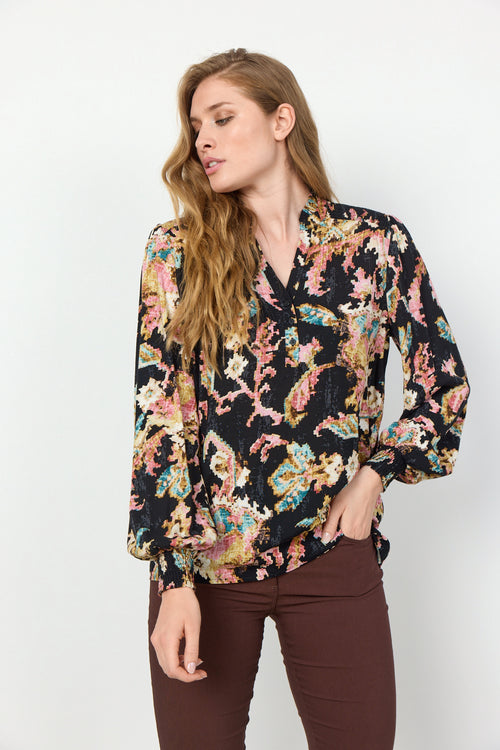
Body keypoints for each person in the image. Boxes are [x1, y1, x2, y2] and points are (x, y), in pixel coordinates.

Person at [127, 48, 470, 750]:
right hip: (205, 568)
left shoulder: (376, 245)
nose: (204, 141)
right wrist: (173, 581)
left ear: (281, 120)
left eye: (223, 118)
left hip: (332, 554)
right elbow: (161, 417)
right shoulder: (177, 252)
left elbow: (443, 383)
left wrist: (376, 475)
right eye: (196, 126)